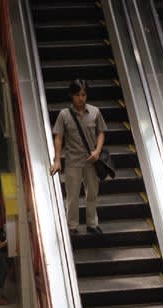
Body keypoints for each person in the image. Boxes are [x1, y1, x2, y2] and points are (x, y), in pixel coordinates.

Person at [50, 79, 107, 236]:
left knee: (92, 193)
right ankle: (72, 225)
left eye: (83, 95)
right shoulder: (64, 115)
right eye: (77, 95)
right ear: (71, 95)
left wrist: (97, 151)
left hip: (92, 161)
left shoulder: (95, 112)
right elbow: (58, 137)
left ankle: (92, 224)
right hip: (73, 161)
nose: (81, 98)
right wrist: (57, 160)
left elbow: (101, 132)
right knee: (72, 196)